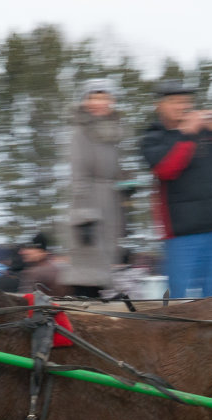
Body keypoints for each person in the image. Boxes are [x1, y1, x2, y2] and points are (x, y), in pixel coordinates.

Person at [140, 80, 212, 298]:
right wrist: (187, 136)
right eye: (175, 102)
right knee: (178, 299)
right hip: (179, 233)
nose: (182, 107)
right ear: (159, 105)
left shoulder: (204, 132)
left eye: (186, 102)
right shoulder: (152, 137)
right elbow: (166, 169)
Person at [65, 78, 124, 298]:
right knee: (86, 271)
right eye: (93, 98)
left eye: (103, 98)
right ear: (85, 102)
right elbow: (79, 176)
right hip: (89, 205)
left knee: (102, 269)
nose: (98, 103)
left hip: (109, 204)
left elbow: (116, 169)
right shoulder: (81, 132)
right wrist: (84, 216)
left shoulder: (113, 133)